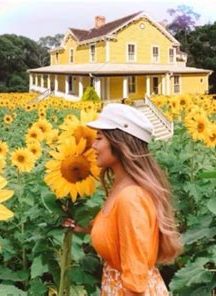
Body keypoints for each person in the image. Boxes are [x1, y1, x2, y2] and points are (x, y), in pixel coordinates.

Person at [62, 103, 183, 295]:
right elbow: (119, 235)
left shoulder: (130, 198)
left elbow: (135, 280)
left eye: (100, 138)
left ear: (120, 143)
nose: (93, 145)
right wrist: (85, 229)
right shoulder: (120, 189)